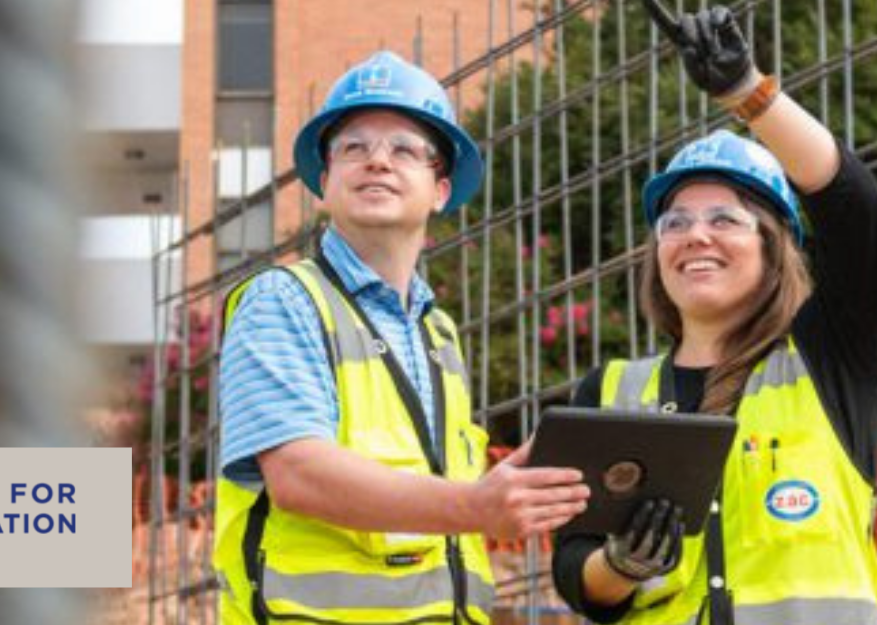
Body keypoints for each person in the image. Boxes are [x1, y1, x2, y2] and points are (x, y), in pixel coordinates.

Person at [212, 51, 593, 625]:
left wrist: (505, 488)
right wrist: (475, 505)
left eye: (403, 149)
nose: (377, 162)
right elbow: (297, 473)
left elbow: (436, 492)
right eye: (354, 148)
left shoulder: (436, 331)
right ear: (324, 182)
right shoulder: (283, 301)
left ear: (440, 189)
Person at [549, 4, 877, 624]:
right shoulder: (611, 391)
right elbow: (576, 573)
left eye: (725, 219)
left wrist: (748, 92)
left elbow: (857, 209)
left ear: (775, 246)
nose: (695, 236)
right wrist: (621, 566)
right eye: (675, 222)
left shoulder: (830, 359)